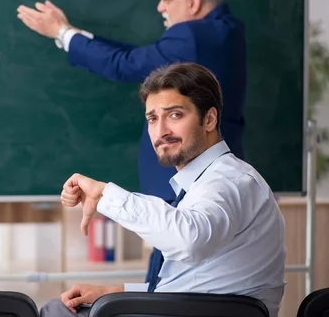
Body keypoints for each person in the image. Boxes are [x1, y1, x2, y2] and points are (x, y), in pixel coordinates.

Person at [40, 62, 285, 317]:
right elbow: (195, 288)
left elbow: (190, 240)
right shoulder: (207, 180)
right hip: (193, 310)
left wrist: (103, 194)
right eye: (152, 119)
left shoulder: (228, 180)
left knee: (55, 312)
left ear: (209, 119)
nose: (161, 131)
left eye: (175, 115)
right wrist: (113, 290)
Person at [17, 0, 246, 205]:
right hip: (214, 167)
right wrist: (74, 33)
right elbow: (136, 57)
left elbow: (125, 64)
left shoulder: (190, 36)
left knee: (175, 239)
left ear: (193, 2)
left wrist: (61, 32)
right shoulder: (228, 30)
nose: (161, 6)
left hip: (183, 176)